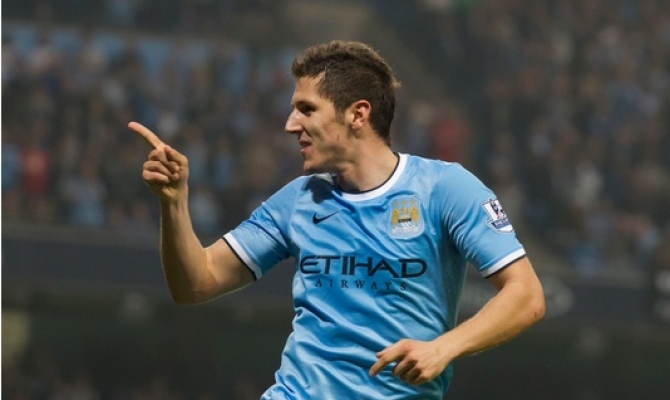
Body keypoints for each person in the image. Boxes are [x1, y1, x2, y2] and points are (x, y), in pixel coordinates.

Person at [129, 40, 545, 399]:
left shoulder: (444, 189)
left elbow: (526, 296)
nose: (291, 125)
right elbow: (195, 283)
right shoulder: (298, 200)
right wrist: (173, 203)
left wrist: (443, 347)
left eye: (306, 109)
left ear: (357, 114)